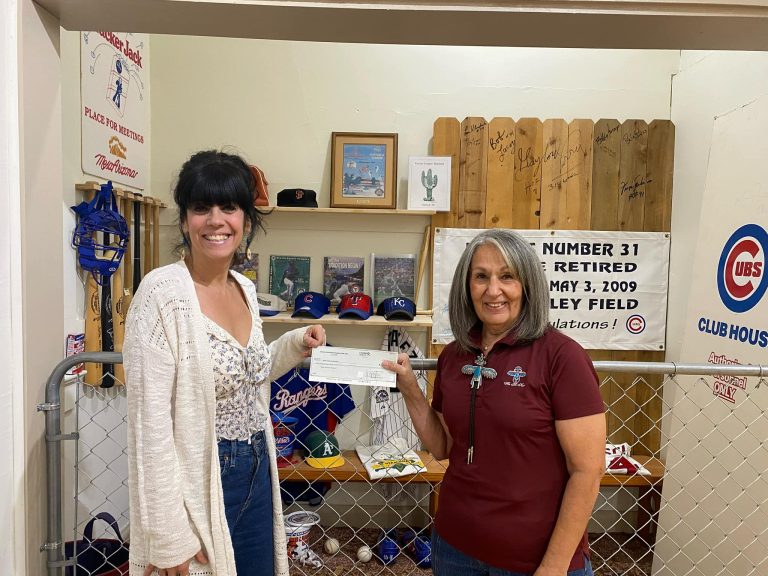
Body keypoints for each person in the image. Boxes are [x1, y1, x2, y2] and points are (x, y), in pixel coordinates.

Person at [123, 150, 326, 576]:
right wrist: (167, 536)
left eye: (229, 207)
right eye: (201, 208)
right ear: (184, 220)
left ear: (246, 221)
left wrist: (294, 344)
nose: (216, 220)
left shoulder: (244, 288)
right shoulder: (161, 295)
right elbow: (150, 426)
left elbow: (244, 377)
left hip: (258, 468)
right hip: (201, 476)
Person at [382, 228, 606, 576]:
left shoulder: (562, 357)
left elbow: (587, 470)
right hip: (455, 548)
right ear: (466, 286)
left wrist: (555, 565)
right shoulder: (455, 356)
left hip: (534, 560)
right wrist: (410, 388)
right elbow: (442, 447)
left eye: (507, 277)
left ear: (527, 285)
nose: (493, 290)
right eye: (481, 277)